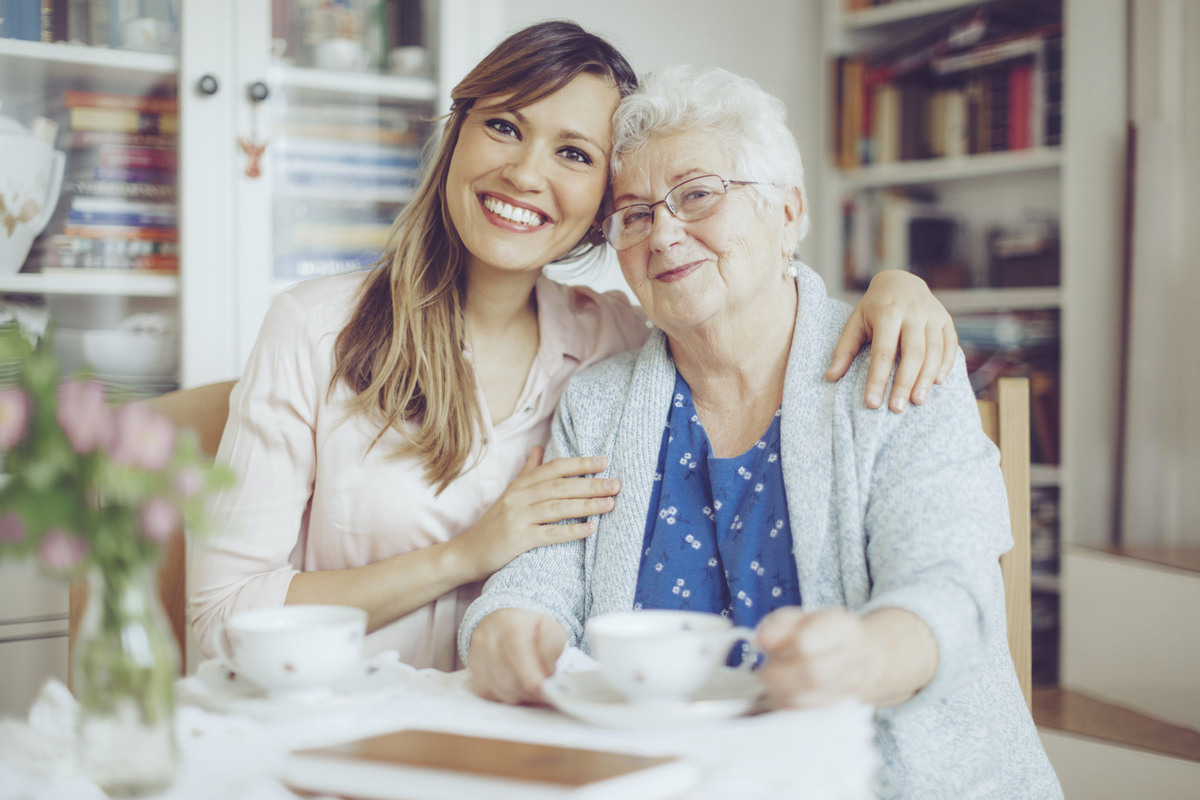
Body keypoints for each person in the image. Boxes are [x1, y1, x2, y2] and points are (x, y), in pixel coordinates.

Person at [189, 22, 959, 673]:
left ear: (601, 208)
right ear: (456, 133)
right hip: (342, 721)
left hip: (524, 743)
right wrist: (466, 554)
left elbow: (742, 298)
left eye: (575, 154)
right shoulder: (313, 329)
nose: (524, 173)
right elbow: (218, 620)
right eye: (504, 126)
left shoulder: (619, 346)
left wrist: (898, 286)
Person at [460, 65, 1061, 798]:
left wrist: (864, 657)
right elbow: (538, 582)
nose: (664, 233)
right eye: (637, 214)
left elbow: (951, 594)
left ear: (786, 212)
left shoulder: (897, 362)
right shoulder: (600, 402)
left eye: (699, 195)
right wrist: (501, 630)